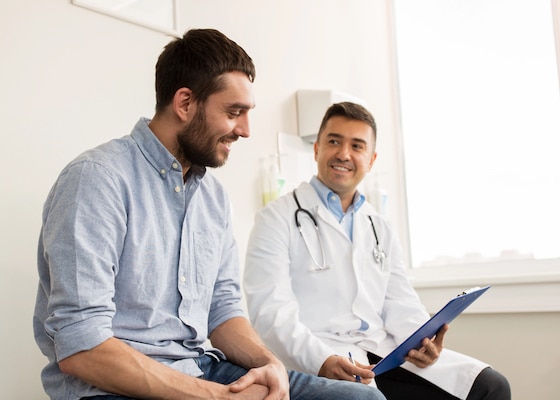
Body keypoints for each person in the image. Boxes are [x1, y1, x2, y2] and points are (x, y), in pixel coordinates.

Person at [33, 30, 387, 400]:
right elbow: (82, 349)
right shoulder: (97, 179)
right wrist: (215, 397)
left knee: (362, 398)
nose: (246, 130)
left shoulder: (212, 197)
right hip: (113, 386)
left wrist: (270, 365)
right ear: (185, 103)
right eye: (234, 112)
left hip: (201, 367)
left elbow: (222, 310)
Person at [243, 102, 511, 400]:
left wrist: (423, 341)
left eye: (357, 146)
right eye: (334, 141)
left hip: (382, 352)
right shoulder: (275, 218)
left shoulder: (379, 225)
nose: (344, 154)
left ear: (370, 160)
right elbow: (270, 314)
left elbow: (400, 301)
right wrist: (322, 360)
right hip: (319, 355)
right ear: (317, 149)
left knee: (491, 387)